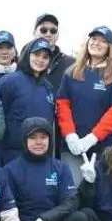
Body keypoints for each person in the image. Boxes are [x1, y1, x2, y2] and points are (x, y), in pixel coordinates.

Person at [2, 117, 85, 221]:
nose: (38, 142)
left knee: (80, 219)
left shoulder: (60, 167)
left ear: (50, 139)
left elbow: (71, 201)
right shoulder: (10, 170)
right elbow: (6, 209)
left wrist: (44, 220)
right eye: (32, 138)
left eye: (43, 137)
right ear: (24, 140)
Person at [56, 26, 112, 181]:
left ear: (109, 47)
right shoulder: (72, 72)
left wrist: (92, 138)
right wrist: (70, 135)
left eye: (103, 41)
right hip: (73, 147)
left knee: (99, 195)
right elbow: (63, 105)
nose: (97, 43)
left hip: (102, 148)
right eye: (94, 39)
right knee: (72, 193)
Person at [0, 39, 58, 166]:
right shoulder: (9, 81)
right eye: (36, 55)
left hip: (41, 155)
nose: (40, 60)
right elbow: (0, 117)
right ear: (27, 55)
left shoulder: (48, 87)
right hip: (13, 155)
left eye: (45, 57)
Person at [25, 13, 74, 155]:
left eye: (53, 31)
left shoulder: (71, 63)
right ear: (34, 32)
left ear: (57, 35)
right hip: (32, 134)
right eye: (43, 30)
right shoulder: (23, 62)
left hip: (62, 135)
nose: (48, 33)